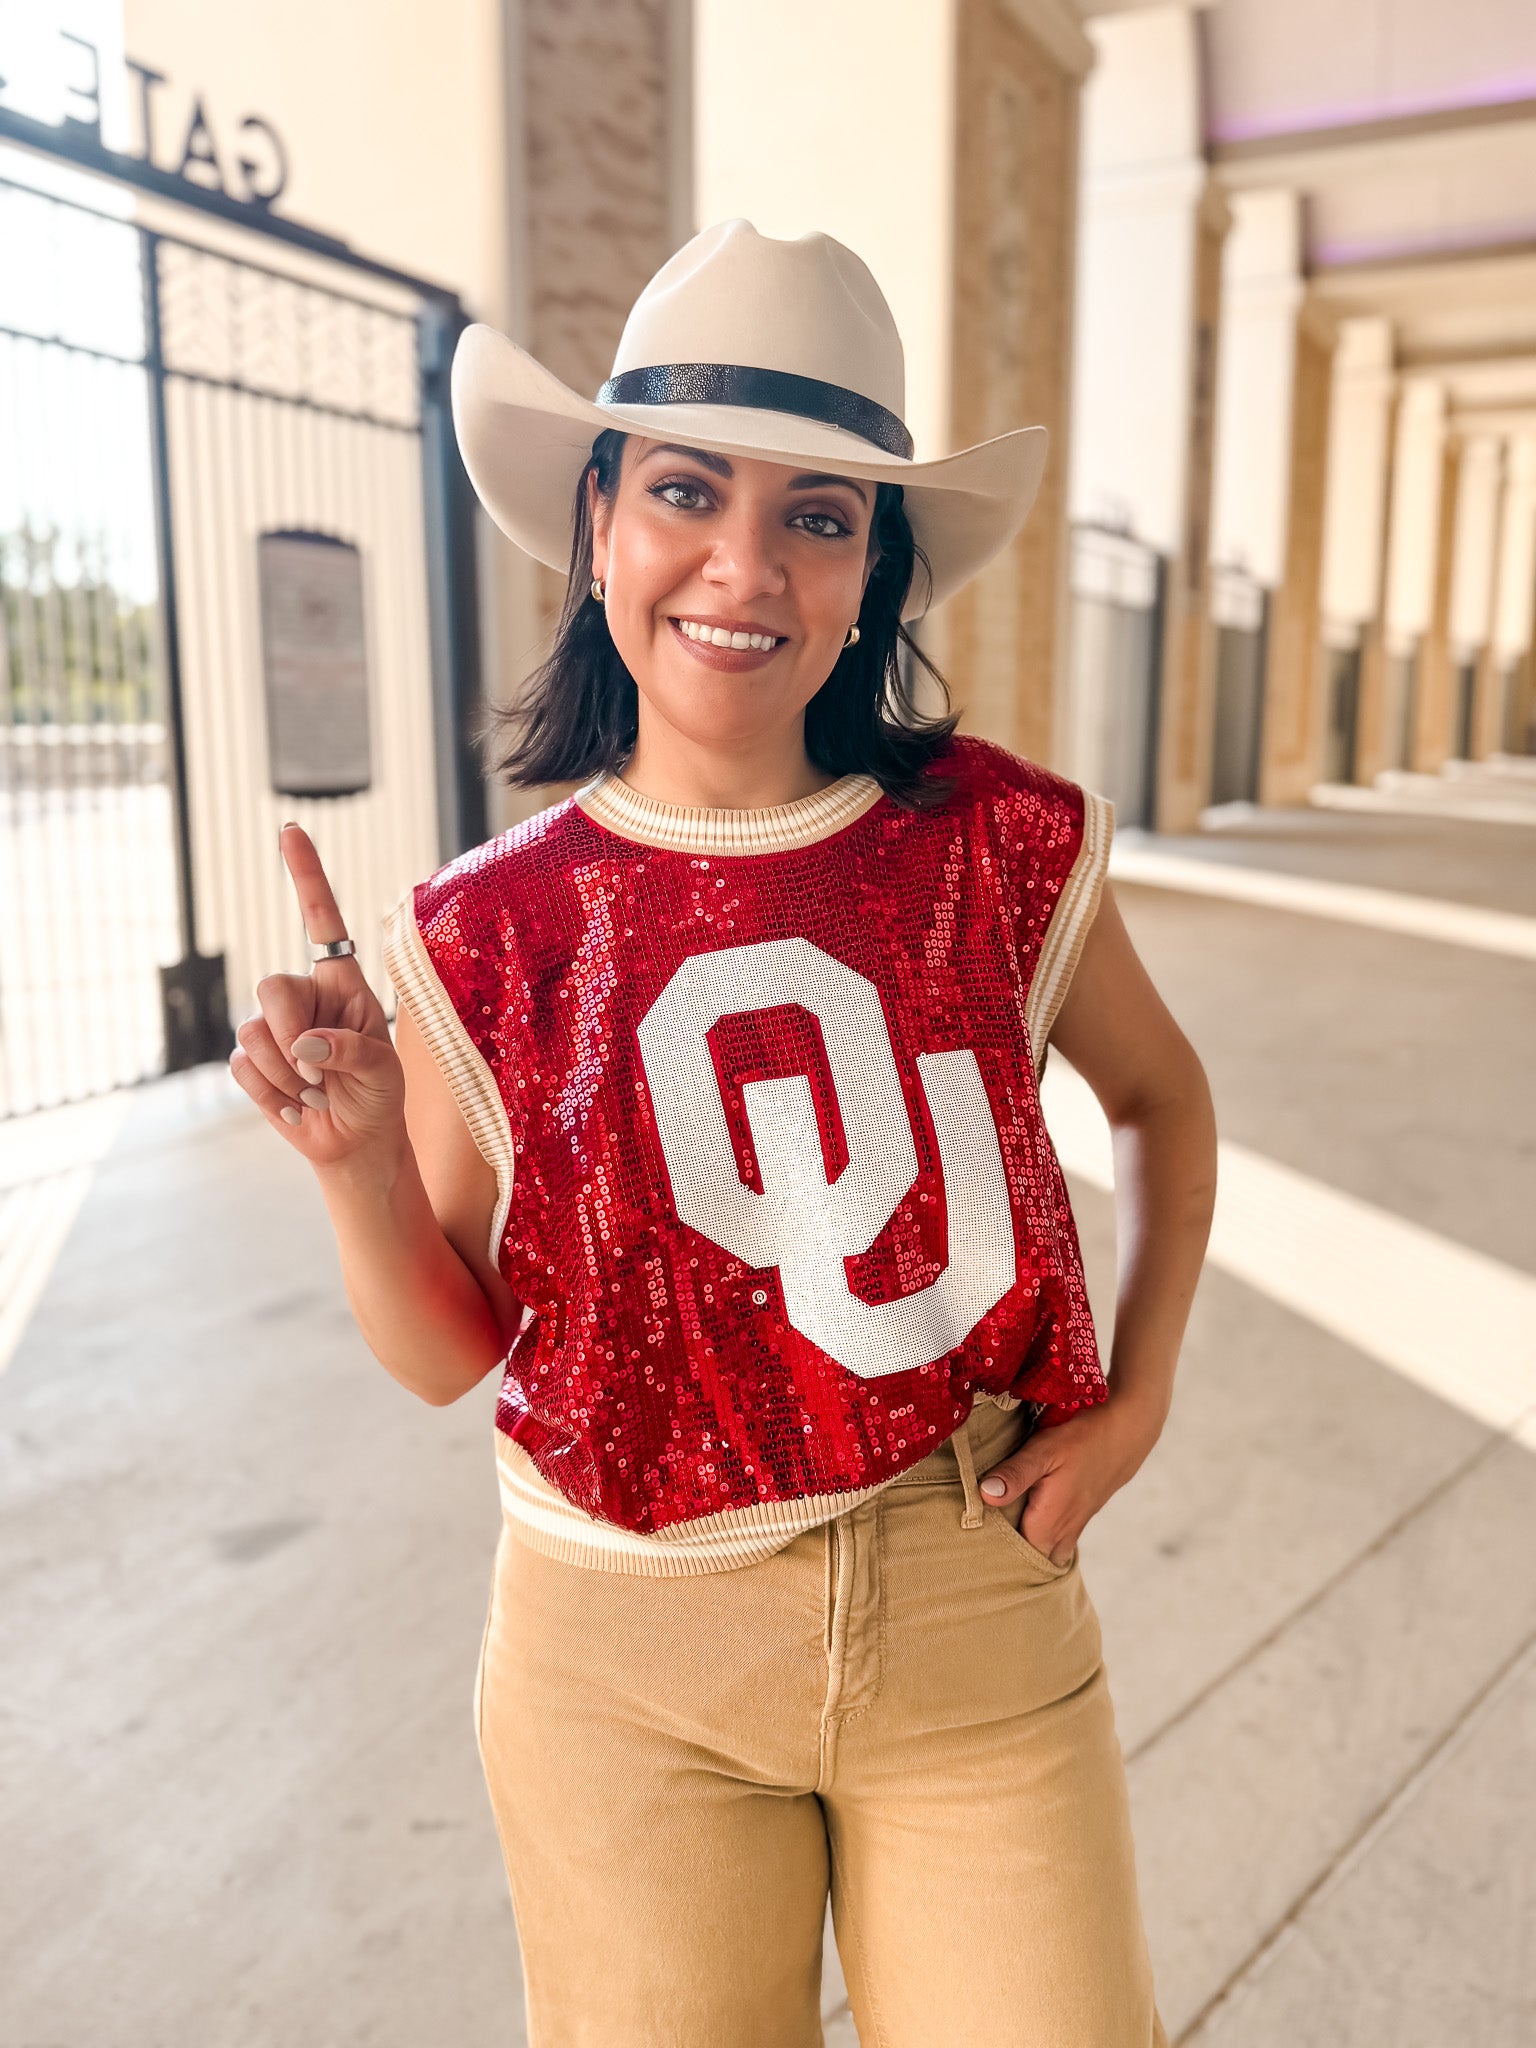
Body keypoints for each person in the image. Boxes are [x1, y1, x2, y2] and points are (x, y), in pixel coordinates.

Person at [231, 220, 1216, 2047]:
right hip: (622, 1668)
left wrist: (1140, 1393)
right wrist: (359, 1172)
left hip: (968, 1597)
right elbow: (450, 1356)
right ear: (600, 518)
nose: (744, 565)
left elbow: (1161, 1097)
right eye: (687, 489)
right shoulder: (481, 930)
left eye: (818, 516)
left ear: (875, 567)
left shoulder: (996, 843)